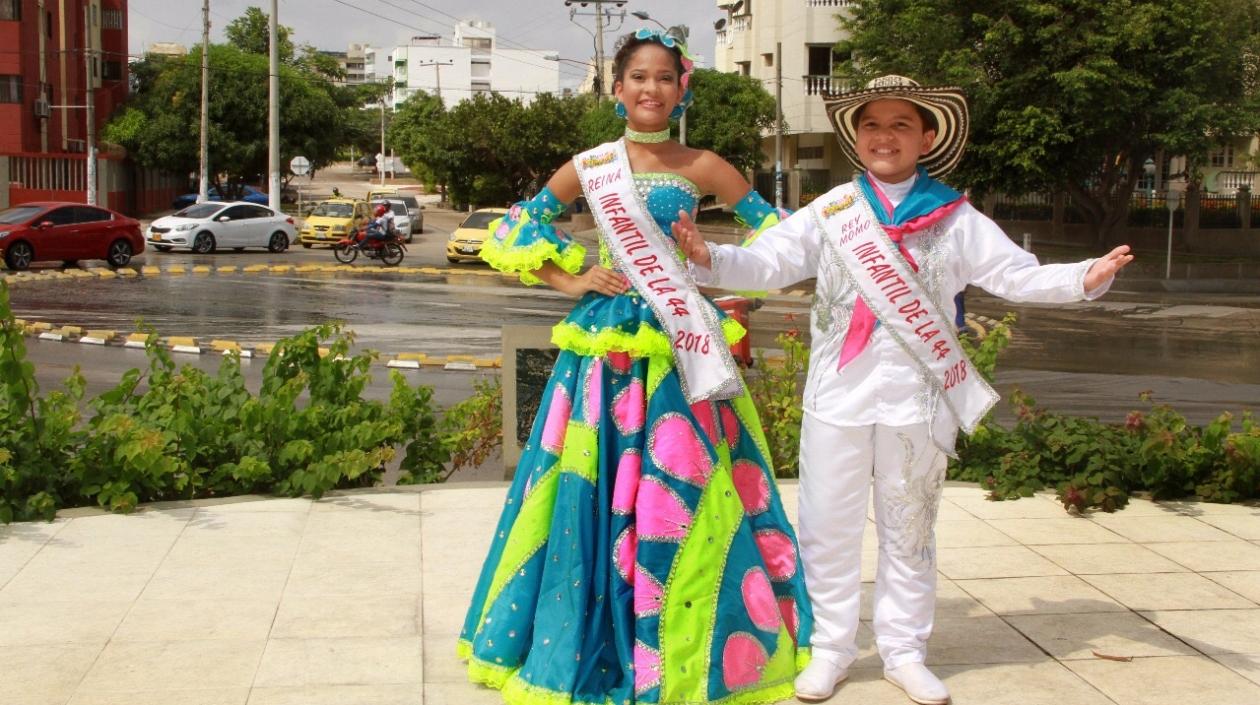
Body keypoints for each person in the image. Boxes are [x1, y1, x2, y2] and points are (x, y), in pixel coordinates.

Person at [673, 75, 1133, 704]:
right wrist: (712, 256)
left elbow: (1015, 274)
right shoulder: (833, 211)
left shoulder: (955, 217)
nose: (884, 137)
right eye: (871, 125)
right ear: (856, 138)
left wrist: (1084, 277)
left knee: (910, 525)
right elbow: (769, 263)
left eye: (899, 125)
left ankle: (904, 651)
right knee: (826, 526)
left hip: (918, 398)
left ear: (927, 136)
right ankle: (832, 648)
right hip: (838, 394)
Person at [458, 28, 813, 705]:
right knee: (590, 481)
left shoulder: (706, 165)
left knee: (682, 481)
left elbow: (783, 238)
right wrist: (573, 281)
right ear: (617, 89)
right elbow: (517, 228)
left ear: (682, 89)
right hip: (607, 344)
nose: (651, 89)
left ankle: (680, 629)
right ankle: (591, 625)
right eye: (638, 78)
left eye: (664, 78)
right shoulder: (591, 164)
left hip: (680, 346)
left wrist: (722, 279)